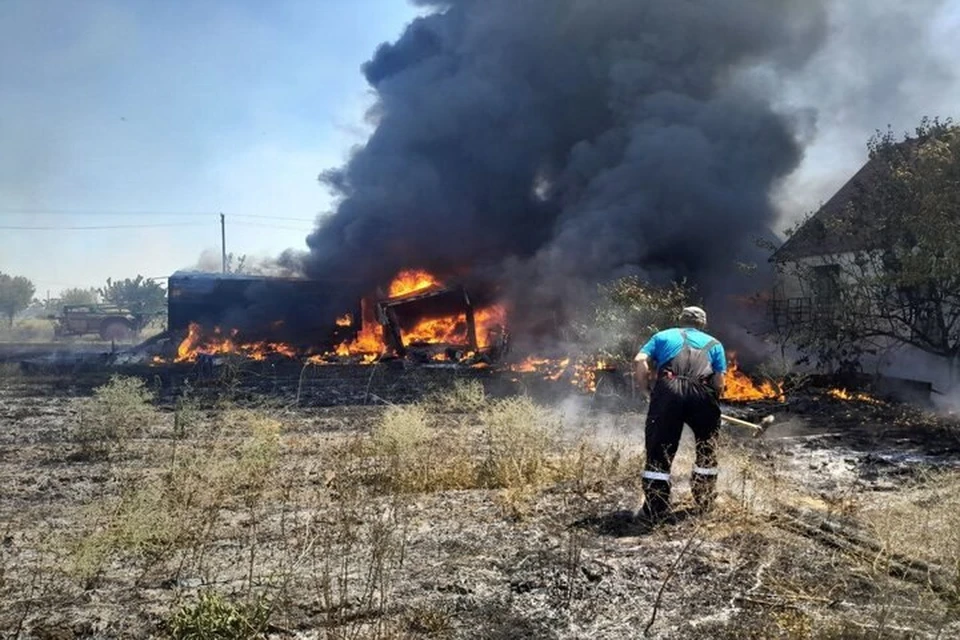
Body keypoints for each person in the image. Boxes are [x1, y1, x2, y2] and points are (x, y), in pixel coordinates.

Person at [633, 306, 727, 521]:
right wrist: (709, 405)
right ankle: (704, 501)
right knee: (707, 448)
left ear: (681, 320)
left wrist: (646, 390)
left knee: (659, 450)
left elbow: (640, 360)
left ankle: (656, 508)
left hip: (668, 391)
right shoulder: (715, 344)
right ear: (703, 324)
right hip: (702, 393)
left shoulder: (662, 336)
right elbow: (719, 382)